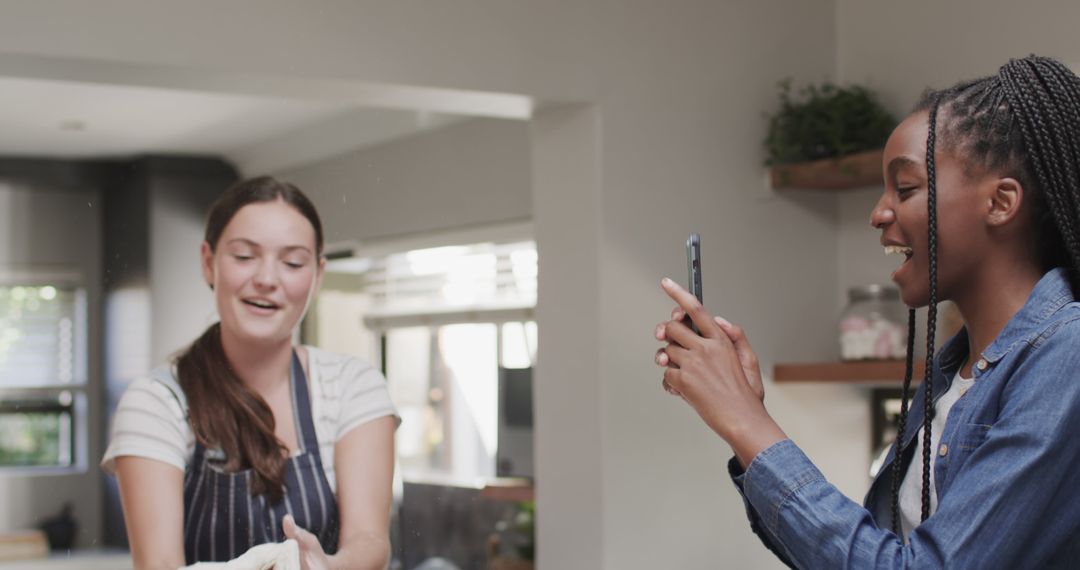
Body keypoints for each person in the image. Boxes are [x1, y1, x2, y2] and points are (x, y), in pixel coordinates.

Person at [654, 55, 1080, 567]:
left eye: (904, 189)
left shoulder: (1067, 356)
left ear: (1001, 202)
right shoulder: (952, 374)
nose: (878, 213)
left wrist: (748, 424)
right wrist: (744, 415)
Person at [102, 176, 398, 570]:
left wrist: (325, 567)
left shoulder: (353, 387)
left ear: (318, 275)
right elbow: (158, 565)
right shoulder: (157, 402)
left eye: (292, 262)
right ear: (208, 262)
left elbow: (370, 541)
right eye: (244, 257)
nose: (267, 279)